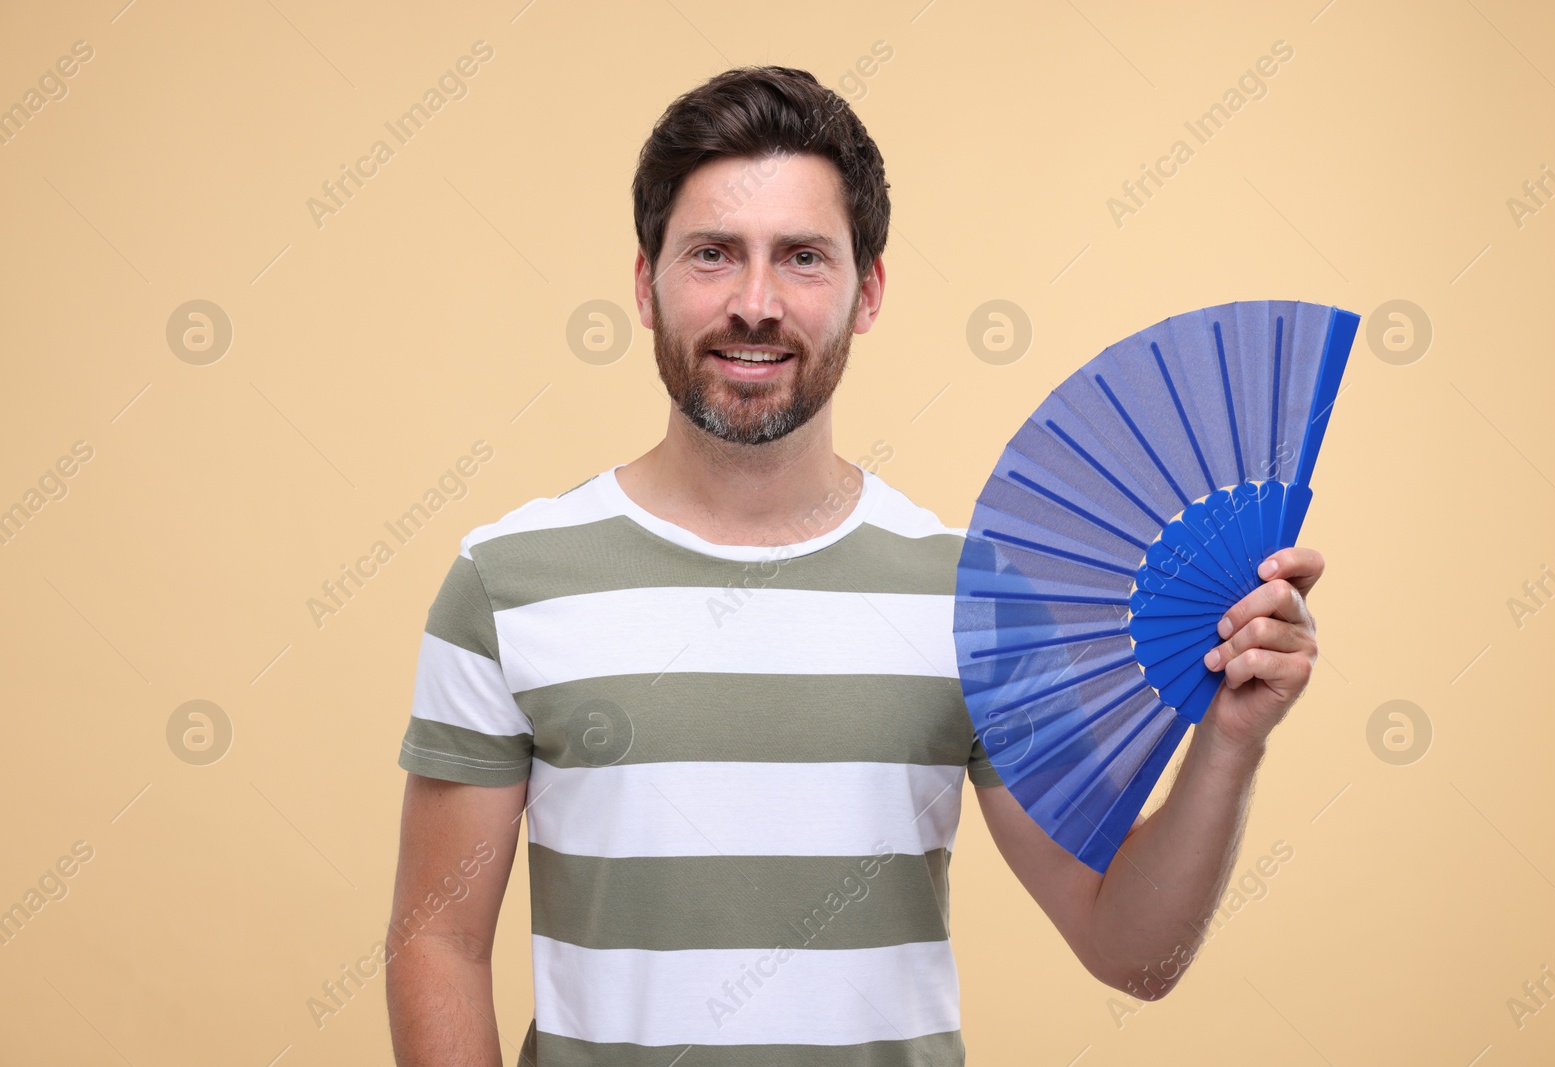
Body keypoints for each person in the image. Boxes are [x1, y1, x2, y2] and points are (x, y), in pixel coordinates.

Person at [385, 65, 1324, 1067]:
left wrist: (1229, 742)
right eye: (711, 254)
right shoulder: (507, 581)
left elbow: (1130, 948)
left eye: (801, 257)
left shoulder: (972, 596)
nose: (755, 303)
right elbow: (435, 938)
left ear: (866, 290)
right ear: (644, 284)